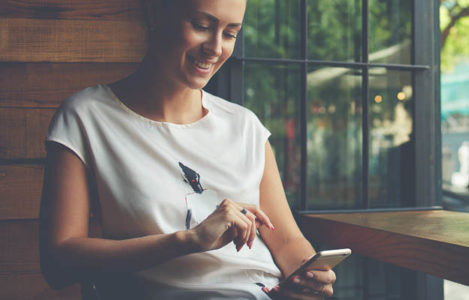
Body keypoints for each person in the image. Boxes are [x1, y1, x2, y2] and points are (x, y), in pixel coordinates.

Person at [38, 0, 336, 299]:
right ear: (156, 14)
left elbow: (286, 242)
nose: (216, 48)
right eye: (202, 26)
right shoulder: (87, 117)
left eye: (230, 34)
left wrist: (309, 277)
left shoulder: (245, 126)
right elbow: (58, 263)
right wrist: (188, 240)